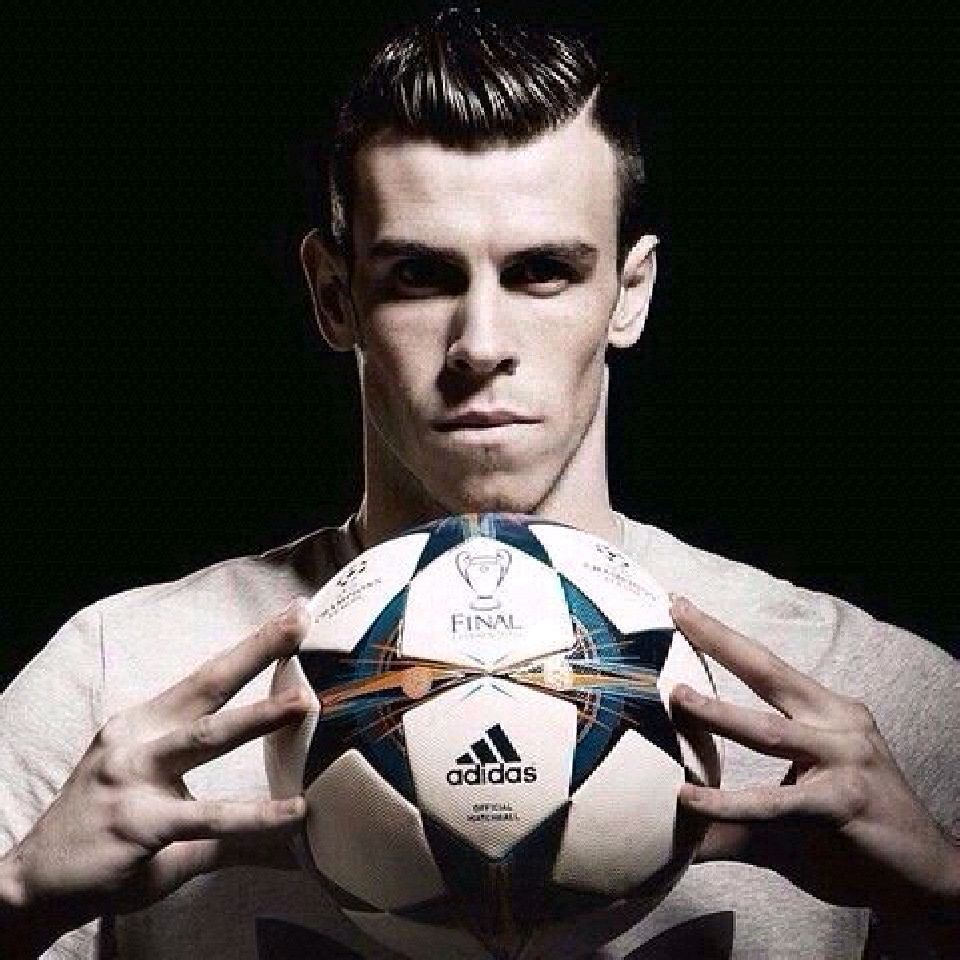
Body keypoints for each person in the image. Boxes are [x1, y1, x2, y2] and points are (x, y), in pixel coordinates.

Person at [1, 8, 957, 959]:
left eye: (543, 272)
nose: (481, 345)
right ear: (335, 296)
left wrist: (944, 889)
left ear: (630, 293)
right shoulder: (122, 679)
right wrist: (21, 897)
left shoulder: (856, 694)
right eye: (420, 276)